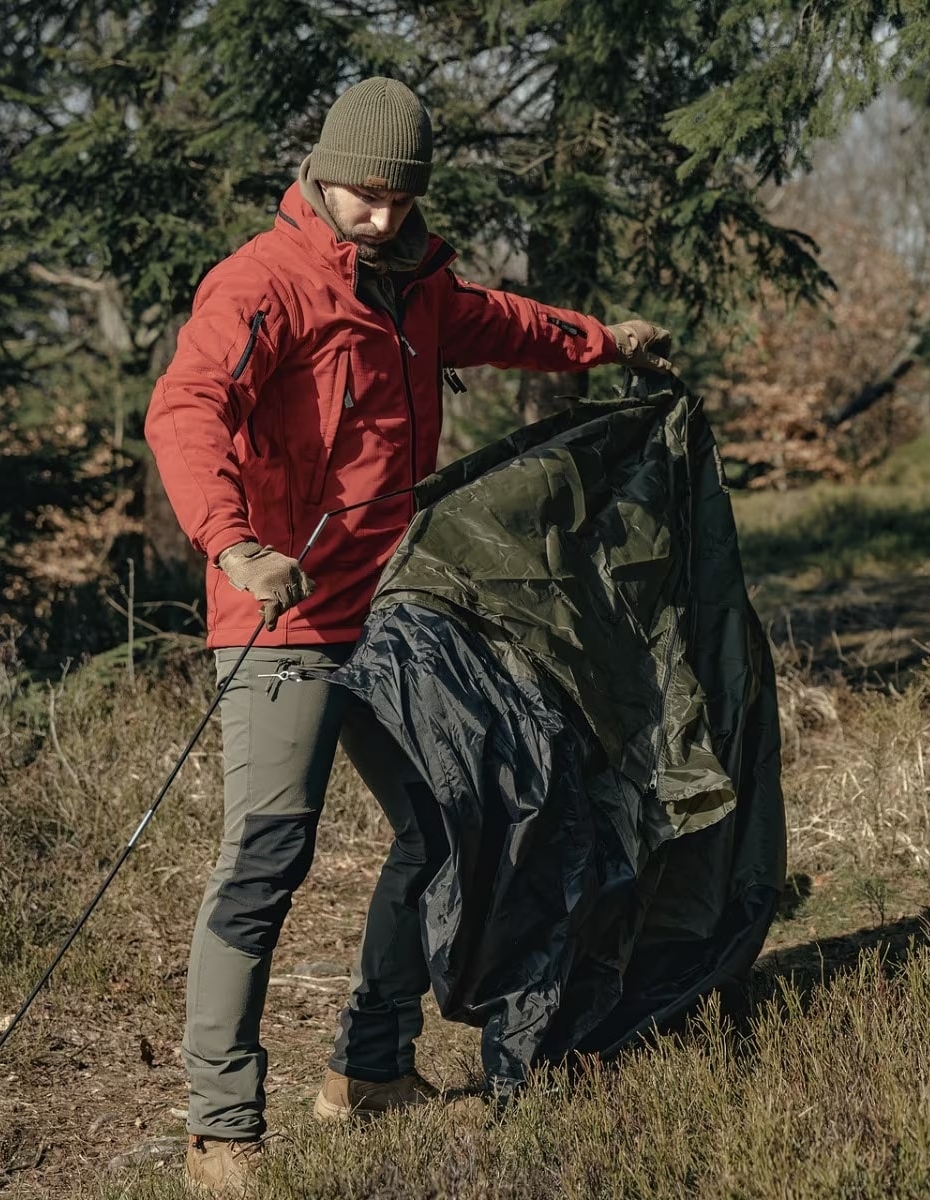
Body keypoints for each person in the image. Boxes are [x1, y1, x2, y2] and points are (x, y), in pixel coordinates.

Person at [146, 75, 673, 1194]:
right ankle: (221, 1129)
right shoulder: (263, 285)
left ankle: (369, 1069)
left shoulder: (418, 289)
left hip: (390, 617)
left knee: (441, 830)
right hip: (278, 621)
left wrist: (609, 341)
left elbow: (512, 325)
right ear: (322, 174)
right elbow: (185, 410)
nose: (379, 217)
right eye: (361, 195)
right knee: (267, 859)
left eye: (399, 199)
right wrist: (236, 546)